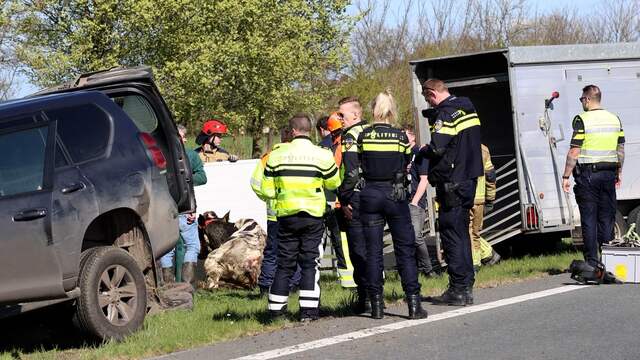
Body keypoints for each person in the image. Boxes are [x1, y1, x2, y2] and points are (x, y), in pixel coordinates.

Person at [262, 114, 341, 321]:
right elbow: (334, 183)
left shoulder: (276, 156)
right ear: (309, 131)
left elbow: (267, 190)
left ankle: (276, 312)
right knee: (309, 262)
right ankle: (308, 312)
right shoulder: (322, 155)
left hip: (287, 216)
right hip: (313, 216)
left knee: (284, 263)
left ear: (293, 131)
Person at [357, 90, 427, 319]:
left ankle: (377, 306)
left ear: (373, 109)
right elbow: (406, 163)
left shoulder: (364, 136)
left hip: (370, 194)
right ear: (392, 109)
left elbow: (360, 162)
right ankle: (414, 305)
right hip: (394, 195)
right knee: (405, 250)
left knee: (373, 252)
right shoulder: (400, 137)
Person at [420, 78, 483, 306]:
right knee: (462, 234)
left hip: (452, 183)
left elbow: (438, 147)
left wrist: (421, 151)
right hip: (469, 179)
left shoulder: (445, 114)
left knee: (452, 235)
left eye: (428, 98)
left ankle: (458, 288)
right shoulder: (467, 108)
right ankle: (466, 284)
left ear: (432, 94)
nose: (430, 103)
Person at [562, 85, 624, 267]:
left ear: (588, 99)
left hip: (588, 176)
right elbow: (620, 150)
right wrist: (618, 171)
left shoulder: (582, 120)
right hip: (609, 174)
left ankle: (592, 263)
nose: (581, 102)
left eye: (582, 99)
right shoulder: (615, 119)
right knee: (607, 218)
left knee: (589, 218)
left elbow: (574, 151)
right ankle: (609, 261)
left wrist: (566, 176)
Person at [251, 127, 301, 296]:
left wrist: (270, 197)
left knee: (272, 251)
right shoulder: (300, 156)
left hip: (275, 213)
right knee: (296, 249)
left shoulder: (268, 157)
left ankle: (265, 286)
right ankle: (294, 284)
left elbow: (255, 183)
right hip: (297, 210)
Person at [160, 124, 208, 286]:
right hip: (185, 208)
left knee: (167, 248)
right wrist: (185, 180)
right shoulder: (190, 156)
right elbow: (202, 177)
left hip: (164, 209)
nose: (185, 139)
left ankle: (168, 286)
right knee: (192, 245)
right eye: (183, 136)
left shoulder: (159, 155)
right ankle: (187, 287)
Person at [337, 96, 370, 313]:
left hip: (356, 198)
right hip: (376, 196)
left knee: (358, 250)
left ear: (355, 115)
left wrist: (344, 197)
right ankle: (376, 293)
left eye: (342, 114)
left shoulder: (350, 135)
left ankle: (366, 297)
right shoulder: (372, 130)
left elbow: (351, 172)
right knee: (373, 247)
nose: (339, 119)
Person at [316, 113, 353, 287]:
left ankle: (348, 277)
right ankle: (348, 277)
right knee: (341, 240)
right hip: (339, 199)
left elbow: (336, 173)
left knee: (340, 240)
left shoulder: (338, 146)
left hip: (339, 200)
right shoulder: (342, 144)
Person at [404, 124, 435, 278]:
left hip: (415, 202)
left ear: (413, 136)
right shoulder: (403, 155)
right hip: (403, 201)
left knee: (416, 235)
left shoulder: (420, 153)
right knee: (406, 237)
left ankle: (429, 270)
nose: (403, 138)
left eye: (405, 135)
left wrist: (415, 201)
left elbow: (424, 180)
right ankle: (413, 270)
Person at [470, 144, 501, 271]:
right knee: (474, 233)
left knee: (467, 233)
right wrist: (490, 199)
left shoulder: (456, 146)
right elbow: (490, 176)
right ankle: (485, 257)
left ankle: (476, 264)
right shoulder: (483, 149)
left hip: (464, 199)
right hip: (479, 198)